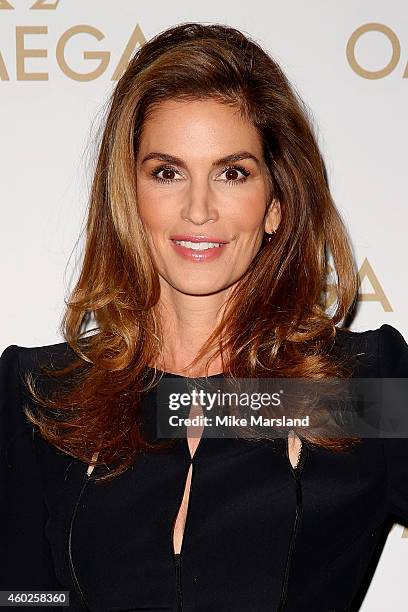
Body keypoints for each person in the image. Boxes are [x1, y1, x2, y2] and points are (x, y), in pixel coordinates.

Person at [1, 21, 407, 612]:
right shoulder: (44, 397)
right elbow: (21, 597)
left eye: (232, 172)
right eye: (167, 172)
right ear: (128, 196)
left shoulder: (357, 389)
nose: (198, 209)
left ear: (274, 205)